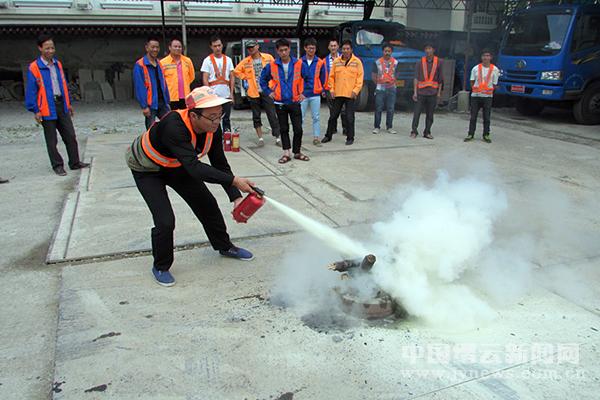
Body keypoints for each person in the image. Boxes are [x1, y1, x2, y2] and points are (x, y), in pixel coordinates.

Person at [125, 86, 256, 287]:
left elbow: (219, 163)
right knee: (165, 221)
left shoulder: (213, 127)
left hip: (177, 165)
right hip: (148, 170)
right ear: (194, 116)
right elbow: (195, 168)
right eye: (212, 117)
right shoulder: (173, 126)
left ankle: (225, 246)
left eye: (219, 116)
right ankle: (161, 266)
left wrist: (235, 195)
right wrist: (234, 180)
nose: (216, 121)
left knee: (207, 204)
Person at [25, 33, 89, 176]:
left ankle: (74, 162)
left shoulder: (57, 64)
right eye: (47, 48)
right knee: (51, 140)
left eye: (52, 48)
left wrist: (68, 103)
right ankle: (57, 165)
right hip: (46, 107)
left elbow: (63, 86)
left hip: (61, 104)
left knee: (70, 136)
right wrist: (35, 110)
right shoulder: (34, 67)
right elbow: (31, 90)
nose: (50, 51)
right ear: (40, 48)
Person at [259, 38, 310, 164]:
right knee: (284, 129)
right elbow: (262, 80)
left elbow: (310, 79)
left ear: (289, 49)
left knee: (298, 129)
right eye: (281, 50)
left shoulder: (299, 64)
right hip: (279, 102)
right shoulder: (272, 66)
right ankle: (286, 152)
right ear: (277, 51)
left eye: (285, 50)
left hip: (294, 101)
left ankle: (297, 152)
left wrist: (304, 93)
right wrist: (269, 92)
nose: (284, 53)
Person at [233, 39, 280, 146]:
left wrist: (274, 85)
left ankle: (277, 137)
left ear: (257, 46)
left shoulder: (268, 58)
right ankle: (260, 138)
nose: (251, 49)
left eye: (252, 47)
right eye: (249, 48)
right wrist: (246, 78)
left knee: (272, 114)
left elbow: (275, 70)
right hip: (253, 92)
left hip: (267, 90)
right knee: (256, 115)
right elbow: (236, 71)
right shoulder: (246, 62)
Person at [321, 40, 364, 146]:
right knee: (333, 116)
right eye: (344, 49)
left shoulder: (357, 62)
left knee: (349, 117)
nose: (346, 51)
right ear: (341, 50)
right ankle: (328, 135)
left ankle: (350, 137)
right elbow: (331, 77)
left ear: (351, 50)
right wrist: (331, 90)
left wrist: (356, 91)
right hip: (338, 94)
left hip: (350, 94)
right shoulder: (336, 62)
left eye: (348, 49)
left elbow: (360, 78)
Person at [134, 37, 171, 129]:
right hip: (150, 103)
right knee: (150, 129)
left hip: (162, 102)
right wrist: (144, 106)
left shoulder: (159, 63)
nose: (155, 49)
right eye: (153, 47)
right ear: (147, 48)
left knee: (170, 125)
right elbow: (139, 87)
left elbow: (163, 83)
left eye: (157, 47)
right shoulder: (140, 65)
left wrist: (168, 101)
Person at [464, 49, 500, 144]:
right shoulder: (475, 68)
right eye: (484, 55)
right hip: (475, 96)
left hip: (488, 97)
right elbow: (472, 81)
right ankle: (470, 134)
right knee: (473, 117)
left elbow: (495, 84)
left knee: (487, 117)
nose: (486, 57)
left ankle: (486, 134)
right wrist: (477, 90)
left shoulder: (495, 70)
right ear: (481, 57)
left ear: (491, 57)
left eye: (488, 55)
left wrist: (487, 91)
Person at [201, 36, 234, 133]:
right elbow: (205, 78)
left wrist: (231, 93)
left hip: (226, 94)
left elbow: (232, 77)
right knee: (214, 118)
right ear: (211, 47)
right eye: (215, 46)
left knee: (226, 118)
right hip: (214, 95)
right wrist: (208, 94)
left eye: (219, 45)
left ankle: (227, 136)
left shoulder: (228, 60)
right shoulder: (207, 60)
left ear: (222, 45)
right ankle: (215, 136)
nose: (218, 48)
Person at [411, 43, 443, 139]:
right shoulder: (420, 62)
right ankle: (414, 131)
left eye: (430, 48)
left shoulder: (439, 62)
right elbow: (416, 78)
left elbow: (440, 79)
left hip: (432, 92)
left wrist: (439, 93)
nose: (428, 51)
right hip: (421, 92)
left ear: (433, 50)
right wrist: (415, 92)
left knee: (430, 114)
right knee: (417, 113)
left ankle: (427, 132)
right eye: (426, 49)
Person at [300, 38, 326, 146]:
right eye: (310, 48)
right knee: (300, 117)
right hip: (302, 94)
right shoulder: (299, 62)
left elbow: (323, 77)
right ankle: (299, 137)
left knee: (316, 117)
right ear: (305, 48)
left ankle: (316, 138)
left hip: (315, 93)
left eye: (313, 48)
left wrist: (323, 89)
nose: (311, 50)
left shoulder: (320, 62)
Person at [161, 38, 195, 110]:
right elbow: (161, 80)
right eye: (175, 46)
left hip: (185, 96)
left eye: (179, 47)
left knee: (185, 118)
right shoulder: (163, 62)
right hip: (171, 96)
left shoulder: (187, 61)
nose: (178, 48)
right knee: (172, 118)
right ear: (170, 47)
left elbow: (192, 77)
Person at [372, 43, 398, 134]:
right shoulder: (377, 62)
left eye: (389, 51)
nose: (387, 53)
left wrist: (392, 82)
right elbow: (374, 75)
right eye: (385, 51)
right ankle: (377, 127)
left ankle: (389, 127)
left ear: (392, 52)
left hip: (391, 88)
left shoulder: (396, 62)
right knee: (378, 108)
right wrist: (379, 84)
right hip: (380, 88)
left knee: (391, 108)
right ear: (382, 51)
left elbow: (397, 74)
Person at [322, 39, 346, 136]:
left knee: (343, 110)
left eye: (334, 46)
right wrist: (323, 89)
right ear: (328, 47)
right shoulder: (324, 61)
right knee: (332, 110)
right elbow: (323, 76)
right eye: (331, 46)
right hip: (329, 88)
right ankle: (333, 128)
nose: (333, 48)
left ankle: (345, 129)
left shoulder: (344, 59)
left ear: (338, 47)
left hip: (342, 88)